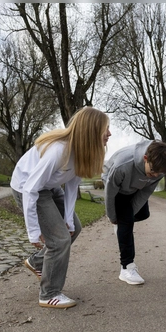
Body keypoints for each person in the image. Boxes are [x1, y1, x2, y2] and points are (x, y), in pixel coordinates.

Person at [11, 107, 111, 308]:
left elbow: (72, 186)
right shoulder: (58, 150)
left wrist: (67, 219)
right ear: (91, 131)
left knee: (74, 228)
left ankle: (38, 262)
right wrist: (33, 231)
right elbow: (31, 189)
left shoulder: (82, 153)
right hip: (27, 188)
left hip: (50, 187)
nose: (109, 134)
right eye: (105, 129)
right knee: (59, 240)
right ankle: (49, 293)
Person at [102, 140, 166, 285]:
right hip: (116, 188)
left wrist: (126, 217)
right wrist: (112, 216)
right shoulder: (122, 165)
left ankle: (123, 224)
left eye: (159, 173)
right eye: (153, 171)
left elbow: (146, 193)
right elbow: (110, 193)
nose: (155, 175)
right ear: (145, 158)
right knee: (126, 221)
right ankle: (126, 268)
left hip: (136, 188)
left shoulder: (160, 168)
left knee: (142, 214)